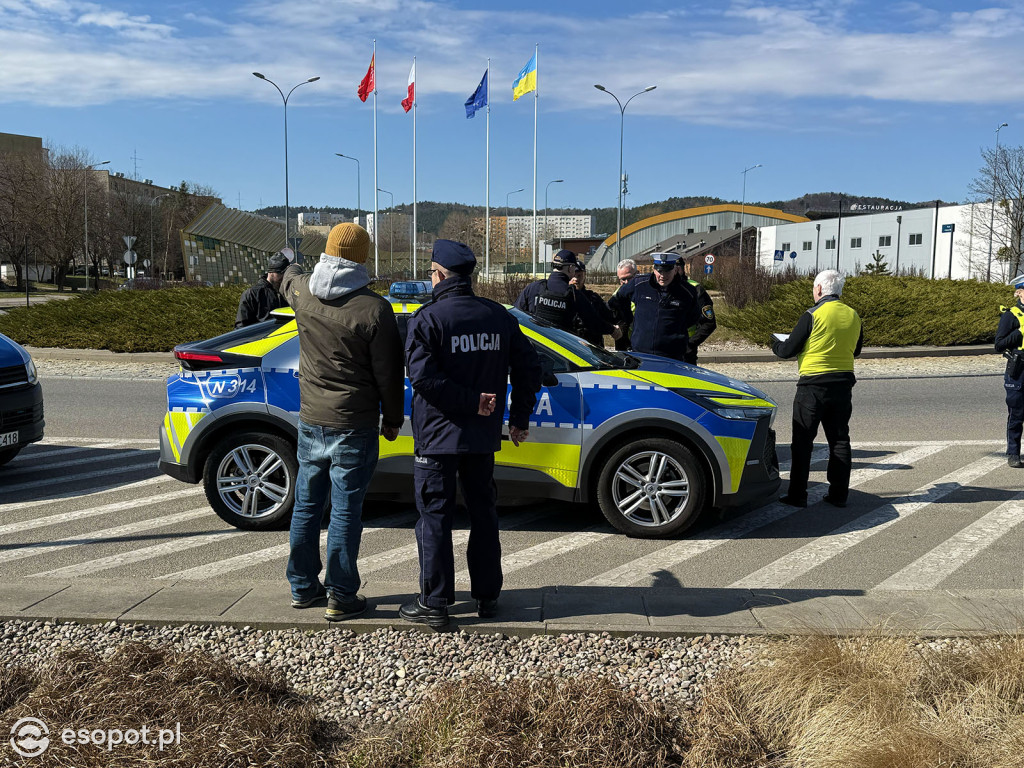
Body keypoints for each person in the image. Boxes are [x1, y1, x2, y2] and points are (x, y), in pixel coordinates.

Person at [401, 240, 542, 627]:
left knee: (434, 517)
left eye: (431, 273)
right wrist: (519, 417)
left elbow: (423, 379)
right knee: (483, 515)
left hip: (437, 437)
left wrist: (470, 402)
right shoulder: (497, 316)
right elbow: (530, 368)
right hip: (481, 438)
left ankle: (435, 603)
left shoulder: (427, 318)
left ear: (439, 275)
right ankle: (487, 595)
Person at [278, 223, 405, 620]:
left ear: (328, 251)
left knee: (306, 505)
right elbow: (389, 374)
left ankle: (302, 587)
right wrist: (393, 419)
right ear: (362, 258)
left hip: (311, 418)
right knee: (346, 511)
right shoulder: (374, 309)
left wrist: (289, 262)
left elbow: (288, 278)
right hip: (354, 422)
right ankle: (341, 595)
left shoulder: (303, 292)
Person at [772, 269, 863, 508]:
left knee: (802, 442)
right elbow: (856, 350)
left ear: (819, 289)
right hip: (842, 384)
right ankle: (839, 495)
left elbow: (787, 350)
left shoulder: (812, 315)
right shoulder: (853, 315)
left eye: (814, 288)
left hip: (812, 385)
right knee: (840, 440)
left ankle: (797, 495)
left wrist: (775, 343)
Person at [607, 252, 699, 362]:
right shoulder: (639, 284)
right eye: (659, 271)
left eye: (667, 271)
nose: (663, 276)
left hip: (672, 357)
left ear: (675, 270)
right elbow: (615, 302)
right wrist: (627, 318)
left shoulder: (688, 292)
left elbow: (693, 318)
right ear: (654, 269)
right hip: (640, 354)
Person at [514, 249, 619, 341]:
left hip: (536, 346)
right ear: (570, 268)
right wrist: (613, 330)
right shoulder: (573, 294)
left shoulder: (533, 287)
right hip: (560, 350)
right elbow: (593, 322)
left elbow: (516, 315)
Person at [994, 273, 1024, 468]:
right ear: (1019, 293)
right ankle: (1013, 453)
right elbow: (999, 344)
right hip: (1019, 370)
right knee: (1017, 414)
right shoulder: (1011, 315)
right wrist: (1019, 333)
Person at [678, 255, 717, 365]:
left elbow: (709, 323)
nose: (674, 270)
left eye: (677, 266)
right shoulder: (659, 288)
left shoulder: (695, 289)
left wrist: (690, 344)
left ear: (683, 268)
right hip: (660, 351)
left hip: (685, 352)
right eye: (670, 267)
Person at [235, 251, 290, 328]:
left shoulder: (288, 291)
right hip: (264, 335)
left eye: (286, 274)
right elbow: (241, 326)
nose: (283, 277)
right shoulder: (253, 294)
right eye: (281, 273)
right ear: (271, 272)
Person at [571, 262, 617, 347]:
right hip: (570, 344)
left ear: (585, 276)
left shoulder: (593, 298)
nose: (576, 279)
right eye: (573, 276)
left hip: (593, 345)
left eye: (579, 276)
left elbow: (609, 317)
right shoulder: (563, 298)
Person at [611, 258, 637, 351]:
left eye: (629, 278)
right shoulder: (616, 296)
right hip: (624, 342)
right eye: (623, 279)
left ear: (637, 274)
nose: (626, 282)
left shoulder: (645, 292)